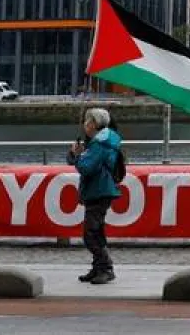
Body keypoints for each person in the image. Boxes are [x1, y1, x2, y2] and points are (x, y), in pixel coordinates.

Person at [67, 107, 121, 285]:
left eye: (87, 121)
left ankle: (106, 268)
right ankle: (98, 267)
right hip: (99, 190)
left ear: (94, 124)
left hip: (99, 190)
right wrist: (76, 155)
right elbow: (79, 161)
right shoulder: (100, 141)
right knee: (97, 231)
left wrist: (78, 156)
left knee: (90, 234)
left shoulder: (100, 144)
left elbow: (86, 167)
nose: (85, 124)